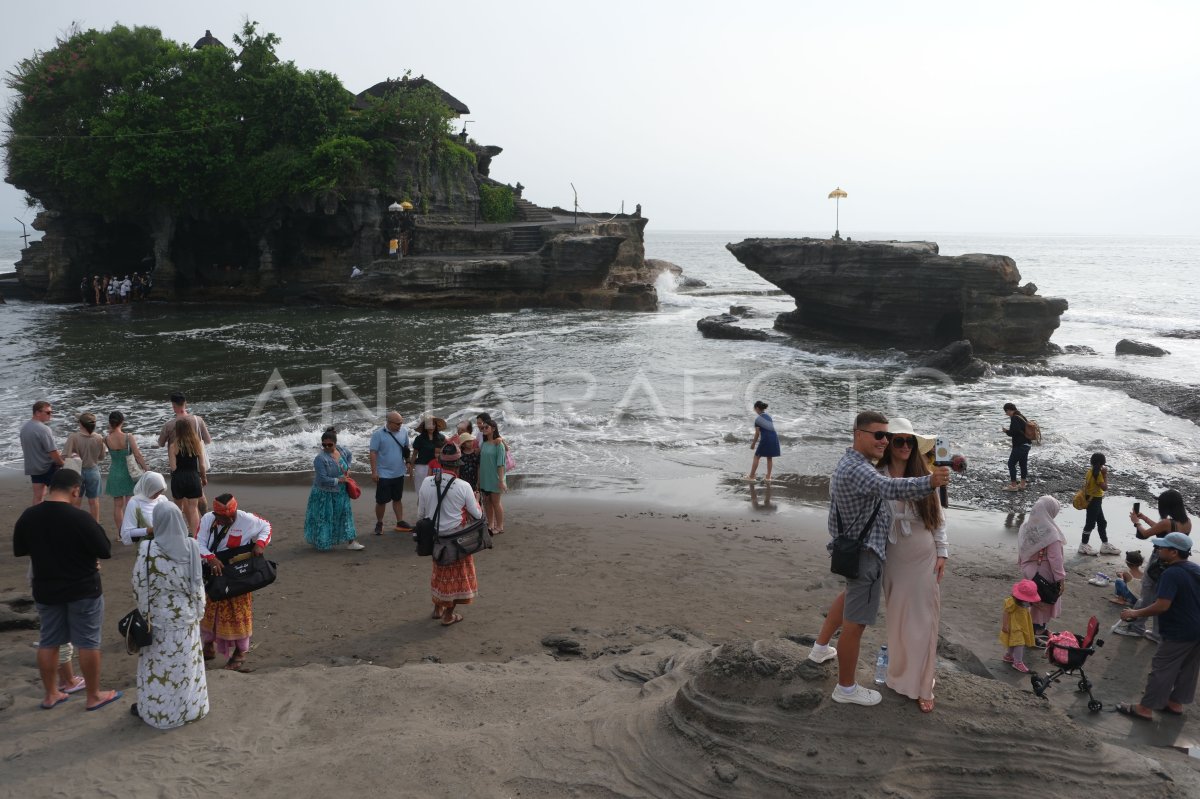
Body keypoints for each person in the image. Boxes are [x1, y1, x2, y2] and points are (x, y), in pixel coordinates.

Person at [807, 411, 950, 708]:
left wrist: (942, 549)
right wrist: (929, 481)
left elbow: (937, 516)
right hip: (879, 552)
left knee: (917, 617)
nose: (896, 444)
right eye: (888, 438)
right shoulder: (869, 472)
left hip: (908, 552)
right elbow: (888, 489)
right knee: (861, 620)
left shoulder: (862, 466)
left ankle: (822, 648)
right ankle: (846, 687)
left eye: (904, 440)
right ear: (859, 434)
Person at [12, 469, 122, 711]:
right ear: (75, 490)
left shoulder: (29, 516)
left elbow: (20, 549)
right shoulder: (80, 518)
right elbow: (104, 549)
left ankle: (51, 694)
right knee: (88, 642)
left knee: (49, 640)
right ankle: (93, 696)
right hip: (82, 587)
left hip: (46, 587)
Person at [877, 418, 946, 712]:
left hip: (923, 555)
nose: (905, 446)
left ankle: (922, 684)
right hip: (892, 556)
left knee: (923, 620)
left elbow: (939, 519)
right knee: (897, 619)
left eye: (910, 441)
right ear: (889, 443)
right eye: (899, 441)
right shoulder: (876, 475)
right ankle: (899, 676)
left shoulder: (925, 475)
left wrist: (942, 551)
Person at [131, 502, 209, 728]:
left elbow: (139, 585)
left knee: (159, 666)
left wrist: (145, 613)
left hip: (159, 618)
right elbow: (197, 586)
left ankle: (160, 713)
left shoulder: (148, 550)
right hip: (186, 617)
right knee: (187, 666)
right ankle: (191, 710)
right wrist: (198, 612)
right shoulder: (192, 547)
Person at [1116, 532, 1200, 720]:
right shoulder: (1195, 569)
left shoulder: (1171, 573)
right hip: (1197, 629)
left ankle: (1145, 708)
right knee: (1189, 667)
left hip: (1180, 629)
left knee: (1163, 667)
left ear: (1173, 552)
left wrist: (1134, 613)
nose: (1159, 549)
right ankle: (1175, 703)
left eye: (1163, 547)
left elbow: (1162, 605)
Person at [197, 494, 273, 670]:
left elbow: (266, 527)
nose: (226, 521)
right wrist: (211, 558)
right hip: (213, 572)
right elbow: (198, 543)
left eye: (229, 518)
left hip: (237, 575)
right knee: (208, 610)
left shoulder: (247, 519)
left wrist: (260, 544)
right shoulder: (208, 519)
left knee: (238, 613)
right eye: (222, 518)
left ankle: (240, 652)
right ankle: (208, 646)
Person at [417, 443, 484, 626]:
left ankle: (438, 608)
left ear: (439, 463)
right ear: (457, 465)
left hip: (435, 538)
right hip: (456, 540)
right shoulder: (463, 486)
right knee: (457, 579)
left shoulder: (426, 482)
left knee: (438, 575)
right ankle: (449, 615)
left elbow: (420, 515)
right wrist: (477, 501)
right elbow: (478, 515)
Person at [1115, 489, 1192, 640]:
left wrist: (1136, 522)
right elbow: (1164, 530)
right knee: (1162, 598)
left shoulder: (1166, 523)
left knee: (1147, 593)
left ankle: (1136, 627)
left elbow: (1145, 534)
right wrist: (1145, 518)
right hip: (1176, 561)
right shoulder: (1186, 522)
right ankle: (1158, 634)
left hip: (1160, 559)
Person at [304, 428, 363, 551]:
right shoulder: (320, 459)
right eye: (324, 444)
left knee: (346, 516)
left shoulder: (341, 451)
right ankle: (322, 542)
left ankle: (351, 542)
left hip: (341, 492)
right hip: (324, 493)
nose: (326, 447)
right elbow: (322, 479)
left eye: (329, 444)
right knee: (324, 519)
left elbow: (350, 456)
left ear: (335, 444)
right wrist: (339, 480)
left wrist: (349, 468)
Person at [1017, 496, 1067, 643]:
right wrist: (1060, 579)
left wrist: (1023, 564)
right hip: (1043, 572)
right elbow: (1055, 559)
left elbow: (1021, 547)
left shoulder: (1026, 526)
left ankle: (1034, 628)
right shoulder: (1051, 532)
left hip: (1028, 569)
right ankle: (1036, 632)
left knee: (1032, 600)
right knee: (1044, 602)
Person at [157, 393, 213, 512]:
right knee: (199, 494)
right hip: (196, 461)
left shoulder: (169, 425)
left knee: (180, 499)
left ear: (173, 406)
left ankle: (183, 525)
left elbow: (160, 443)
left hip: (178, 466)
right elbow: (208, 440)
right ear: (185, 403)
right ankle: (205, 518)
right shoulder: (198, 420)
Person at [103, 410, 149, 532]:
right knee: (131, 503)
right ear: (122, 421)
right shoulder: (128, 437)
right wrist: (146, 468)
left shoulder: (106, 439)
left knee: (118, 506)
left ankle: (121, 533)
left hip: (114, 473)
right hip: (129, 473)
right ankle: (132, 530)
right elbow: (137, 455)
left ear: (110, 423)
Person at [369, 411, 413, 535]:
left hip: (399, 472)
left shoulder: (403, 432)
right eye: (398, 424)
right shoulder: (378, 434)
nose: (400, 426)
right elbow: (373, 453)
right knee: (381, 501)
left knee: (397, 499)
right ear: (389, 422)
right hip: (383, 473)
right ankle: (379, 522)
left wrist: (408, 462)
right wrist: (374, 472)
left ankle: (400, 522)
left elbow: (406, 448)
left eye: (401, 423)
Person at [64, 412, 107, 522]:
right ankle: (95, 525)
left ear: (81, 424)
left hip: (77, 470)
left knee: (76, 500)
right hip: (93, 470)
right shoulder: (99, 437)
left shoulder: (73, 437)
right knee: (93, 501)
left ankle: (75, 524)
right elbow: (102, 457)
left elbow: (65, 455)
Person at [20, 400, 64, 505]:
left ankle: (37, 518)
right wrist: (62, 463)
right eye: (48, 412)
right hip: (48, 468)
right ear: (37, 413)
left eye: (51, 412)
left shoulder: (24, 428)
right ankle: (59, 518)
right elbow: (52, 452)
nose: (50, 415)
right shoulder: (44, 429)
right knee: (60, 495)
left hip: (34, 467)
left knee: (38, 497)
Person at [168, 418, 207, 533]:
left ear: (178, 431)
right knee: (193, 508)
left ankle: (181, 533)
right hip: (193, 477)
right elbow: (202, 465)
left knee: (178, 509)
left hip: (178, 478)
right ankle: (195, 535)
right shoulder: (197, 444)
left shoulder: (173, 446)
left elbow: (173, 467)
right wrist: (203, 478)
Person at [1078, 452, 1117, 555]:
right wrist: (1105, 475)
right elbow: (1105, 487)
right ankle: (1083, 545)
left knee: (1102, 522)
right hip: (1094, 500)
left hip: (1094, 500)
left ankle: (1105, 544)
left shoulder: (1089, 471)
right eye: (1103, 464)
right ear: (1100, 463)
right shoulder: (1098, 474)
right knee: (1090, 523)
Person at [478, 417, 510, 536]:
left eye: (486, 427)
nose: (484, 429)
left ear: (493, 429)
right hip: (485, 478)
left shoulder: (499, 444)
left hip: (496, 477)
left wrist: (501, 481)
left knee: (496, 502)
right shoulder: (485, 443)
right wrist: (479, 479)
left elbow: (501, 464)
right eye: (482, 427)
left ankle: (500, 526)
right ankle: (490, 525)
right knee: (486, 502)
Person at [119, 471, 171, 546]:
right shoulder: (135, 503)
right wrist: (148, 530)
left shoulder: (162, 500)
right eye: (155, 492)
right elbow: (126, 533)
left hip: (164, 544)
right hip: (145, 547)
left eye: (160, 492)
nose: (158, 495)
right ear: (148, 488)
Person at [999, 579, 1040, 673]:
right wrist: (1005, 625)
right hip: (1014, 626)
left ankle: (1009, 656)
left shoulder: (1026, 602)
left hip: (1022, 625)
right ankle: (1018, 662)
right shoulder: (1012, 601)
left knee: (1014, 642)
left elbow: (1027, 609)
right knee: (1019, 643)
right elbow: (1006, 612)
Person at [746, 400, 781, 482]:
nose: (755, 411)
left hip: (766, 439)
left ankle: (752, 476)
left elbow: (757, 434)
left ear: (757, 408)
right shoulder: (769, 417)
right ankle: (768, 477)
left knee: (756, 456)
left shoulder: (758, 419)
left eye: (754, 409)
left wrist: (753, 444)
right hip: (774, 438)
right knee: (769, 457)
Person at [1001, 402, 1031, 492]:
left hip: (1020, 445)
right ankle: (1022, 484)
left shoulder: (1014, 417)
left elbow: (1016, 431)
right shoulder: (1021, 416)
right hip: (1027, 444)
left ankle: (1013, 486)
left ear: (1009, 410)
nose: (1006, 414)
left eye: (1006, 412)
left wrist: (1006, 431)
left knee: (1011, 464)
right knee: (1023, 464)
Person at [410, 416, 447, 488]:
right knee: (421, 489)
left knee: (435, 489)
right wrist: (411, 469)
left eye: (433, 424)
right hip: (422, 466)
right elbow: (414, 454)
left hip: (437, 467)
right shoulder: (419, 438)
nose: (431, 427)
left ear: (436, 425)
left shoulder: (441, 437)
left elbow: (446, 451)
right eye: (429, 424)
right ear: (425, 426)